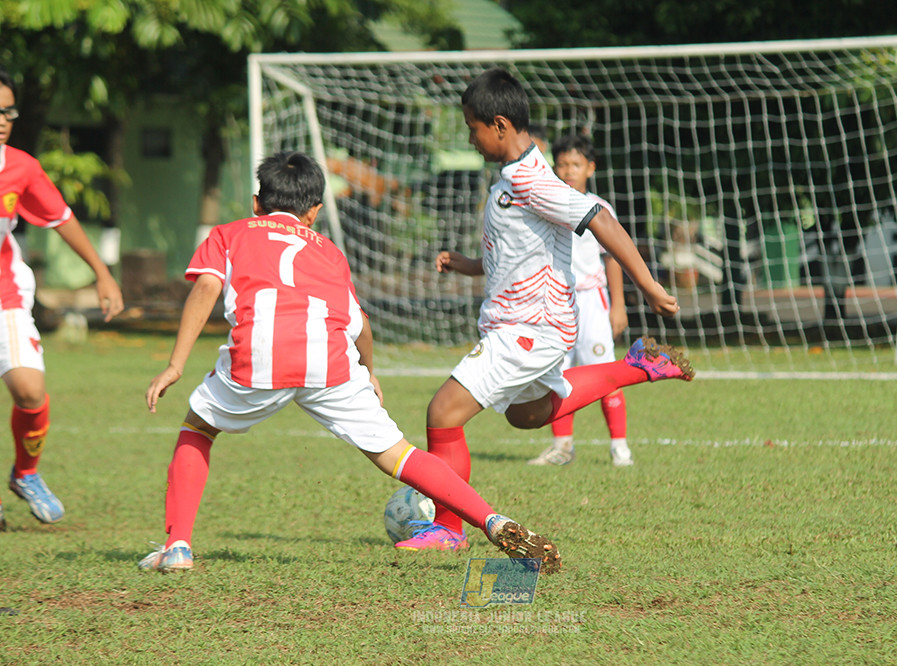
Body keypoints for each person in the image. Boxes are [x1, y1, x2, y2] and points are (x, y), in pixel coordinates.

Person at [139, 151, 560, 573]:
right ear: (315, 212)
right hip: (331, 362)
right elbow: (361, 326)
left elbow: (205, 289)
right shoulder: (329, 253)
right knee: (399, 454)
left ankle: (177, 546)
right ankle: (492, 519)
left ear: (256, 204)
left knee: (198, 427)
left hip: (260, 355)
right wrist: (369, 372)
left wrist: (176, 364)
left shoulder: (228, 234)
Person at [394, 68, 694, 553]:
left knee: (442, 413)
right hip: (532, 327)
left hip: (527, 330)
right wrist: (467, 264)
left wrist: (649, 285)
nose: (470, 140)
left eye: (472, 129)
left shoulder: (531, 179)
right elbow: (512, 259)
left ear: (498, 125)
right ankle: (637, 367)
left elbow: (598, 217)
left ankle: (448, 529)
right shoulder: (512, 178)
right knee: (527, 415)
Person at [0, 67, 124, 531]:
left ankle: (25, 473)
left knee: (30, 391)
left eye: (8, 110)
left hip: (5, 293)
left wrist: (102, 275)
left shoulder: (20, 167)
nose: (2, 119)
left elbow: (61, 219)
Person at [526, 133, 632, 467]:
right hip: (556, 302)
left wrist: (618, 304)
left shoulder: (600, 207)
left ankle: (619, 447)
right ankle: (562, 447)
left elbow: (612, 256)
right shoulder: (548, 205)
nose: (568, 170)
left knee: (604, 373)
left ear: (590, 168)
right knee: (556, 373)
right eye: (562, 164)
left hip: (591, 301)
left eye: (576, 164)